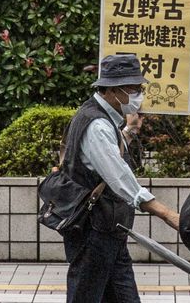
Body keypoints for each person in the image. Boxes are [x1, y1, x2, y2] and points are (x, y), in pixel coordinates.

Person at [58, 54, 182, 303]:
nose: (139, 94)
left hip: (108, 231)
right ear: (114, 90)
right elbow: (119, 177)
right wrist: (167, 214)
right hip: (94, 234)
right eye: (134, 89)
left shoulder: (99, 118)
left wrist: (129, 131)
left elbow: (104, 157)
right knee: (86, 297)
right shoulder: (96, 125)